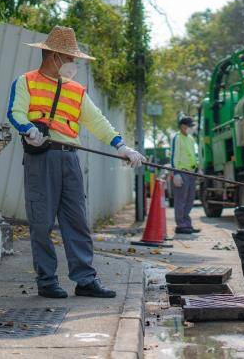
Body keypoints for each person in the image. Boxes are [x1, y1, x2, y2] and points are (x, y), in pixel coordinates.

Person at [7, 25, 145, 299]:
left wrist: (121, 146)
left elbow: (97, 122)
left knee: (77, 221)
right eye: (70, 58)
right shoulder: (26, 82)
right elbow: (16, 112)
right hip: (41, 158)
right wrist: (28, 129)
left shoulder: (77, 91)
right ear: (54, 55)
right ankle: (47, 281)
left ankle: (85, 280)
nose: (73, 63)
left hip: (70, 159)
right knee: (41, 221)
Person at [171, 116, 201, 235]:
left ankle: (187, 224)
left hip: (191, 173)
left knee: (190, 199)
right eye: (190, 126)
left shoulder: (190, 139)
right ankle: (181, 224)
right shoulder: (177, 138)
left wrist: (198, 168)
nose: (191, 128)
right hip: (182, 172)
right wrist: (176, 173)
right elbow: (174, 156)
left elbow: (194, 155)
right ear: (183, 126)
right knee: (180, 200)